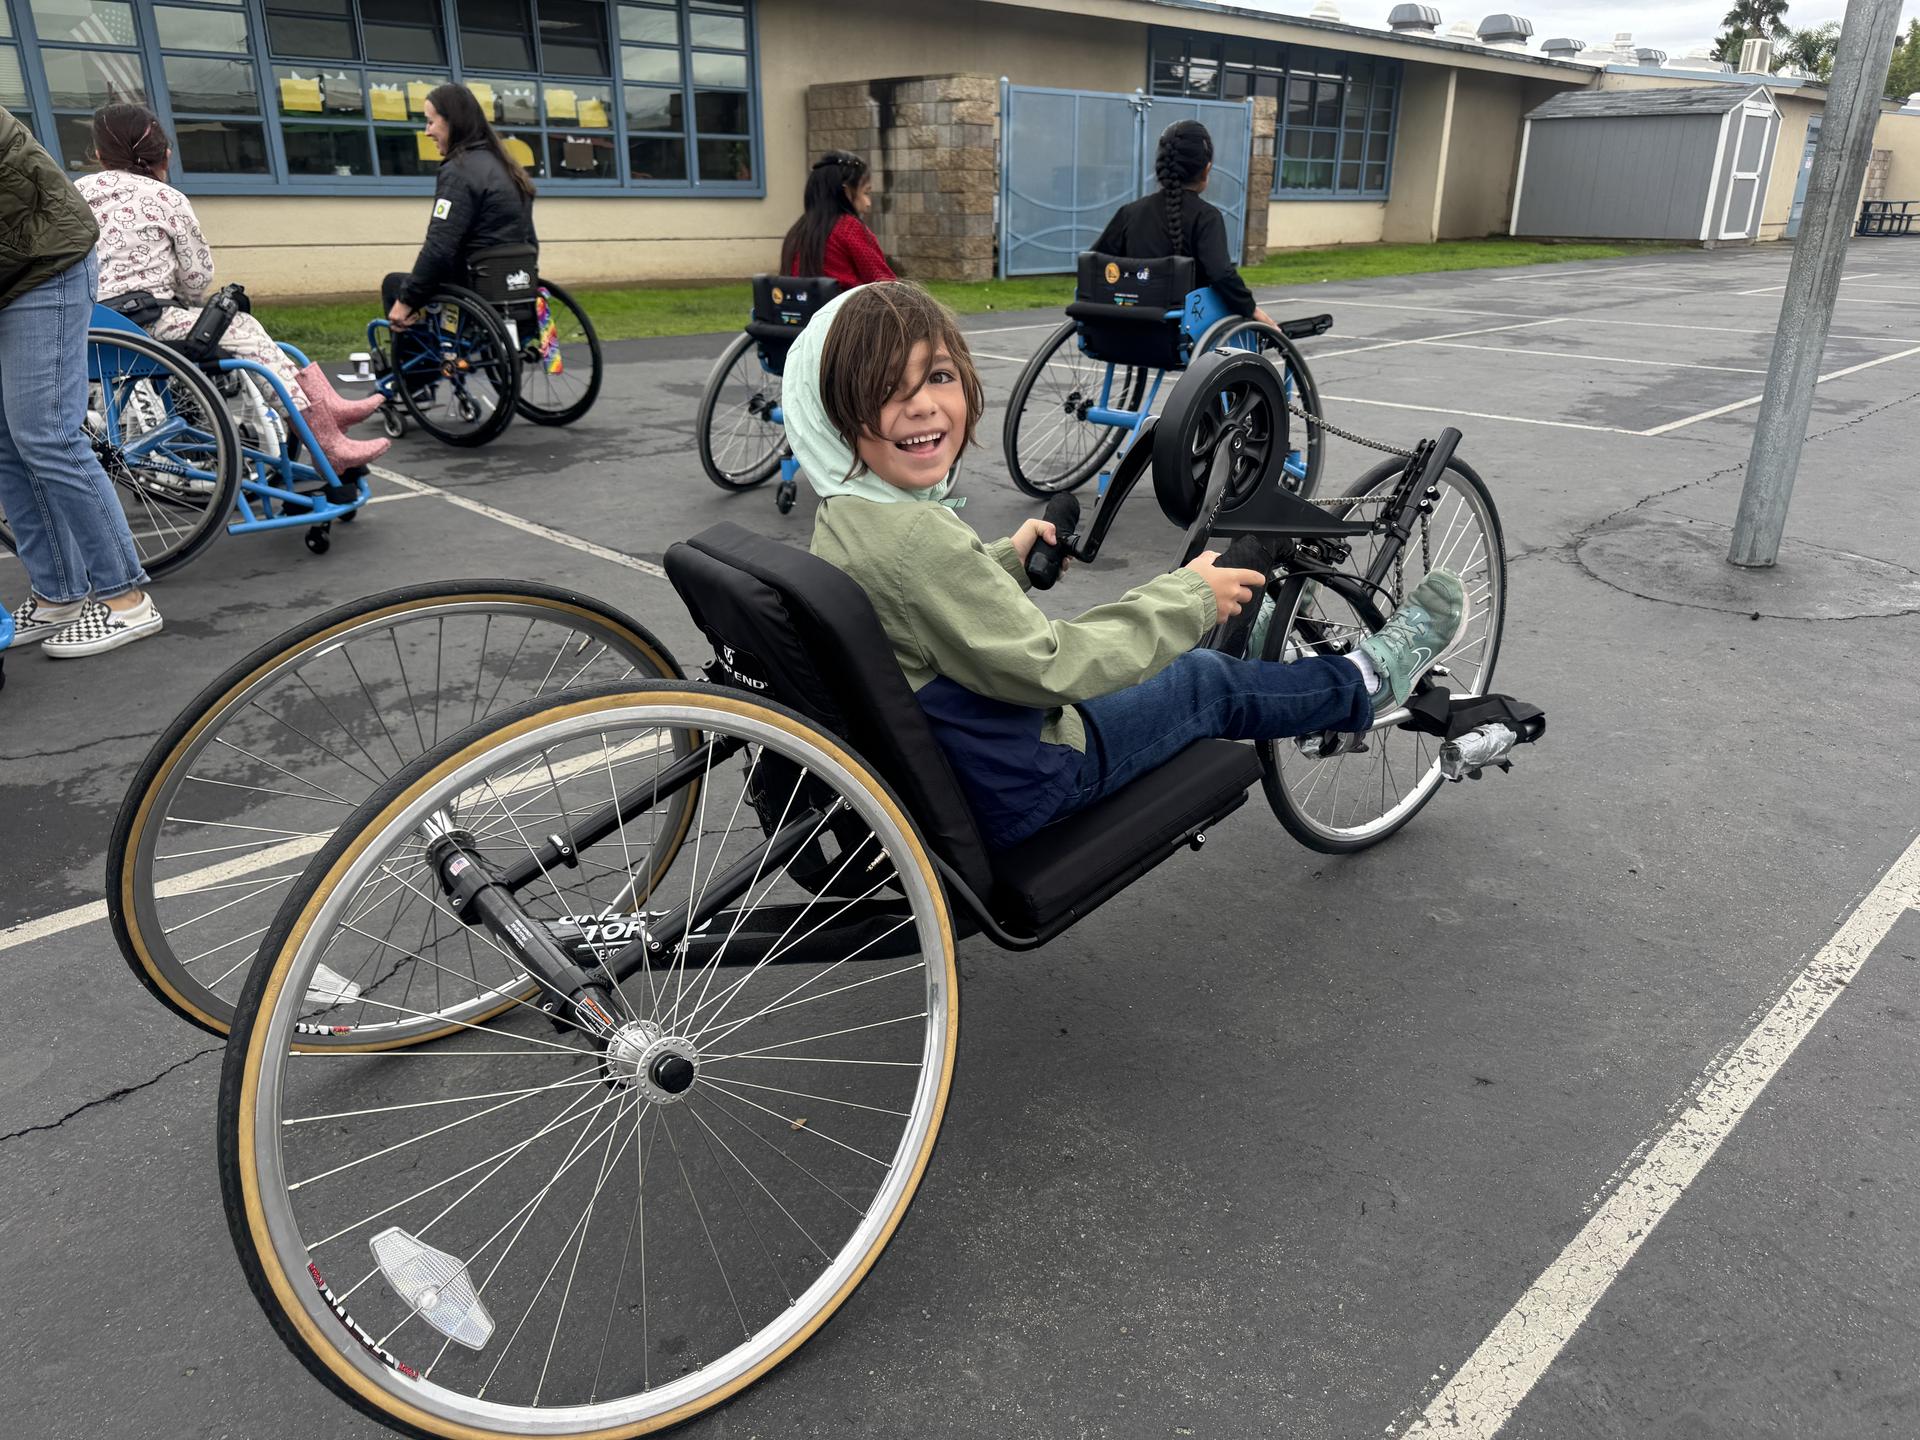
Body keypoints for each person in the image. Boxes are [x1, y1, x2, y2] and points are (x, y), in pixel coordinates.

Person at [786, 282, 1466, 849]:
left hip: (962, 761)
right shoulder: (915, 540)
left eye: (938, 376)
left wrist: (1008, 561)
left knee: (1175, 645)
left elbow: (918, 604)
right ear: (833, 413)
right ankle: (1366, 681)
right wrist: (1190, 594)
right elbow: (1050, 666)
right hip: (1026, 777)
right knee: (1204, 680)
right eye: (888, 390)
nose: (923, 404)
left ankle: (1253, 640)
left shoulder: (852, 515)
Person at [77, 105, 389, 474]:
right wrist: (183, 297)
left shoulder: (75, 194)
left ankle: (328, 410)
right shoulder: (166, 198)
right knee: (244, 328)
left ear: (99, 155)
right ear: (166, 155)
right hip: (147, 325)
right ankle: (326, 438)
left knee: (237, 331)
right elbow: (196, 278)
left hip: (89, 330)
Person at [0, 103, 162, 658]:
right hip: (10, 268)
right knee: (8, 441)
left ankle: (126, 599)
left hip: (43, 264)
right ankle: (59, 595)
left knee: (46, 432)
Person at [1091, 119, 1275, 329]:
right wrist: (1250, 308)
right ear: (1206, 169)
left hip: (1124, 328)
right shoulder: (1206, 217)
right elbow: (1221, 275)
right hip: (1180, 331)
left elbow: (1096, 263)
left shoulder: (1129, 213)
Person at [383, 83, 537, 326]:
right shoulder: (509, 168)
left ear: (452, 122)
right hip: (515, 285)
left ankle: (412, 349)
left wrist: (406, 301)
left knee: (394, 284)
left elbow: (439, 248)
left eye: (430, 122)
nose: (427, 132)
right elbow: (529, 240)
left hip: (473, 285)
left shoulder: (458, 171)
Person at [780, 151, 896, 288]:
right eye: (866, 193)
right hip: (845, 301)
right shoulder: (849, 228)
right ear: (846, 191)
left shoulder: (796, 232)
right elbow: (884, 284)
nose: (868, 203)